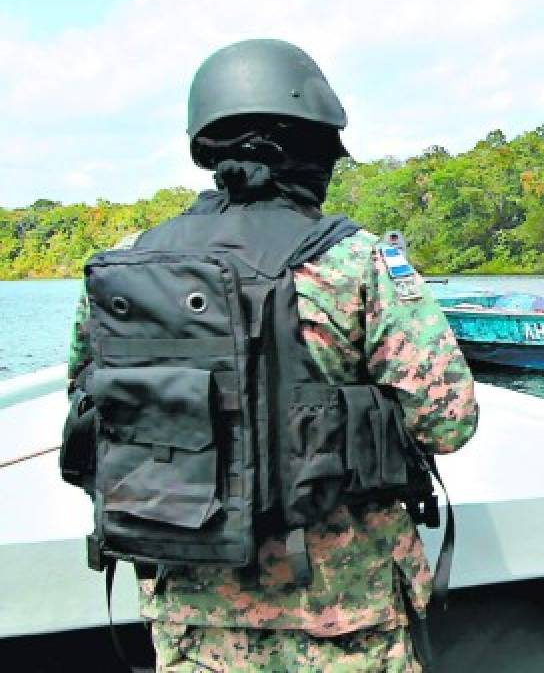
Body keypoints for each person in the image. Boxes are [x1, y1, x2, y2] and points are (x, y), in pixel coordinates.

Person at [64, 39, 478, 672]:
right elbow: (449, 422)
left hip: (189, 617)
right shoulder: (354, 262)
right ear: (311, 149)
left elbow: (88, 395)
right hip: (341, 615)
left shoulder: (129, 260)